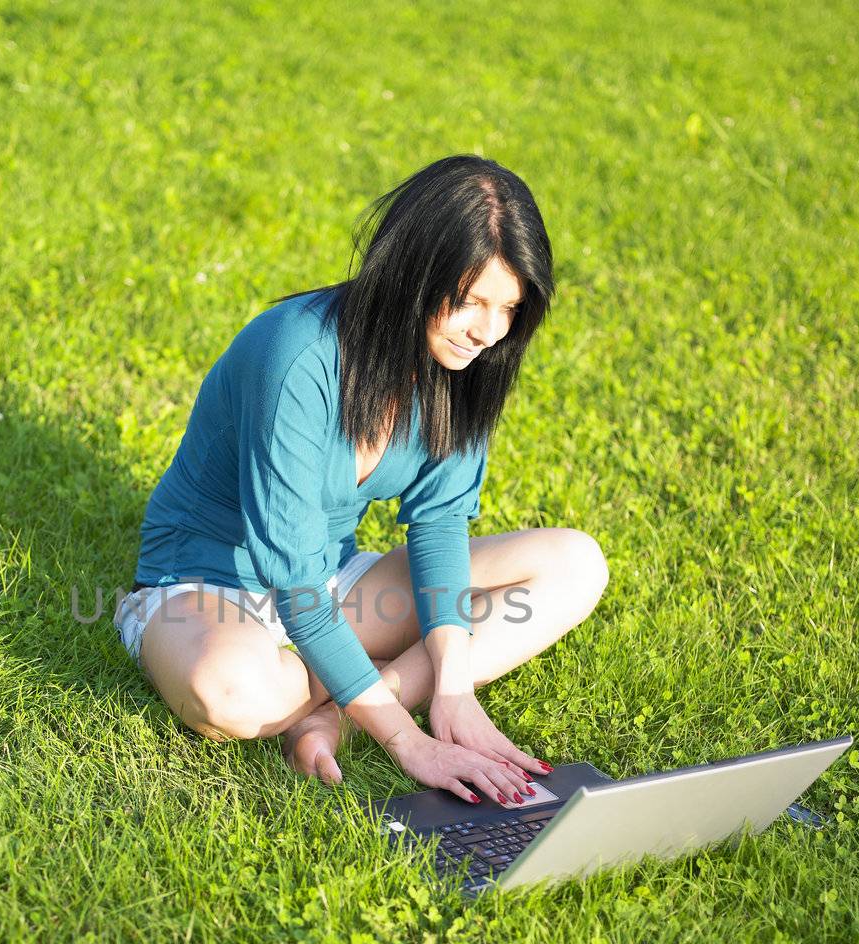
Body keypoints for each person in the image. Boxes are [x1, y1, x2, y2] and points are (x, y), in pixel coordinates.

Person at [113, 155, 608, 805]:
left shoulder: (457, 365)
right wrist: (411, 742)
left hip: (333, 586)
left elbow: (438, 525)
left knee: (577, 563)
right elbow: (289, 578)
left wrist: (454, 688)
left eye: (508, 307)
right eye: (470, 301)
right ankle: (330, 675)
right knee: (230, 691)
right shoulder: (295, 354)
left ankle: (340, 708)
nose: (489, 331)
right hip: (208, 587)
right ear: (411, 274)